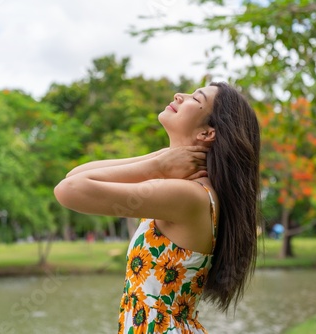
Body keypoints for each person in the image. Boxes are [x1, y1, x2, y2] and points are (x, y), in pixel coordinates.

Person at [54, 82, 260, 333]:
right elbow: (73, 176)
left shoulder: (188, 195)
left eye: (196, 99)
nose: (179, 95)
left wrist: (158, 166)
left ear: (208, 133)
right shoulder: (186, 188)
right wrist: (161, 158)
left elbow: (69, 190)